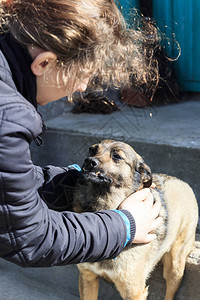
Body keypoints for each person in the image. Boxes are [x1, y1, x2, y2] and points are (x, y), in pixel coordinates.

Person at [0, 0, 162, 268]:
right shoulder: (8, 117)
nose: (83, 87)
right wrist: (124, 225)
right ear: (44, 63)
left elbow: (8, 189)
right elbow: (29, 237)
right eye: (83, 75)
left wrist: (77, 180)